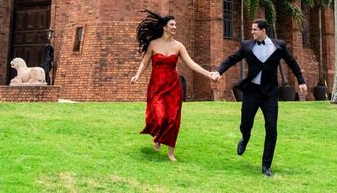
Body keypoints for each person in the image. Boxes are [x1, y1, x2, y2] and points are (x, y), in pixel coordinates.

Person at [215, 19, 307, 177]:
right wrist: (219, 71)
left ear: (263, 31)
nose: (252, 32)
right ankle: (245, 138)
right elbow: (232, 59)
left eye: (255, 29)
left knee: (271, 128)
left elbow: (292, 63)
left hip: (270, 94)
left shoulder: (279, 46)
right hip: (252, 92)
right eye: (252, 29)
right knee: (245, 123)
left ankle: (266, 166)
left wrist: (301, 81)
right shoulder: (246, 46)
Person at [131, 10, 219, 161]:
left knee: (173, 118)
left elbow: (191, 63)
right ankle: (158, 138)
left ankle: (170, 152)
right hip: (157, 86)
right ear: (165, 27)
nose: (175, 27)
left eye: (175, 25)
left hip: (173, 87)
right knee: (161, 115)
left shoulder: (179, 46)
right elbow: (145, 62)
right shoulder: (153, 44)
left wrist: (208, 74)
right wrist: (137, 76)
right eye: (172, 24)